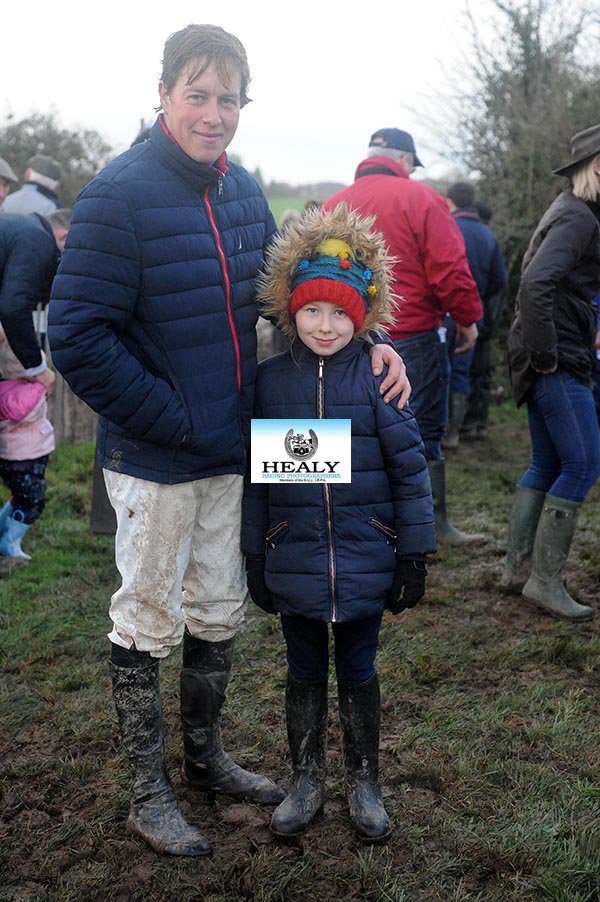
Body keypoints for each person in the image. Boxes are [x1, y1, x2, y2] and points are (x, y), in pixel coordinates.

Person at [47, 24, 410, 858]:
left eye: (230, 99)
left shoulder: (242, 190)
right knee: (148, 616)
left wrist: (371, 341)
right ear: (164, 94)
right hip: (158, 459)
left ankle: (205, 758)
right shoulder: (115, 196)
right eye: (198, 95)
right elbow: (77, 337)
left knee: (219, 607)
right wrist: (175, 418)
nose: (214, 114)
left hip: (237, 453)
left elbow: (297, 299)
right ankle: (149, 793)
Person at [242, 204, 436, 843]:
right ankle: (305, 780)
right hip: (294, 558)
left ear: (362, 316)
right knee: (302, 670)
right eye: (312, 311)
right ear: (290, 311)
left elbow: (410, 471)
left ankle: (363, 780)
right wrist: (255, 553)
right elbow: (260, 480)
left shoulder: (381, 381)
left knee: (358, 669)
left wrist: (413, 554)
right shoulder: (270, 384)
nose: (325, 326)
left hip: (365, 559)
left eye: (340, 313)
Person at [323, 128, 484, 545]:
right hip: (412, 337)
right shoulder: (423, 199)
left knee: (353, 432)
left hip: (348, 340)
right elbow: (450, 270)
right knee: (421, 432)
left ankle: (357, 527)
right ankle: (431, 526)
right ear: (405, 160)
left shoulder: (333, 206)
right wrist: (468, 318)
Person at [501, 124, 600, 622]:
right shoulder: (578, 218)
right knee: (582, 464)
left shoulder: (570, 210)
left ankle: (517, 571)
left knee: (548, 463)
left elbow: (548, 281)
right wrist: (546, 356)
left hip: (546, 349)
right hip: (554, 357)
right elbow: (535, 282)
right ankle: (543, 582)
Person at [442, 182, 507, 447]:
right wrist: (478, 297)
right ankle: (454, 433)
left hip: (444, 311)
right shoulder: (487, 235)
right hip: (473, 311)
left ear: (449, 201)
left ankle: (436, 430)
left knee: (438, 369)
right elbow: (499, 279)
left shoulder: (446, 227)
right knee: (461, 371)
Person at [0, 325, 54, 568]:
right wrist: (42, 384)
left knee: (22, 496)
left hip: (26, 454)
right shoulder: (16, 390)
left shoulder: (15, 387)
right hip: (21, 457)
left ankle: (4, 530)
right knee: (32, 500)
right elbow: (21, 411)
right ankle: (10, 542)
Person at [0, 209, 70, 396]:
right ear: (64, 236)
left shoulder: (21, 226)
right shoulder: (38, 239)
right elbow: (14, 307)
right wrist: (37, 367)